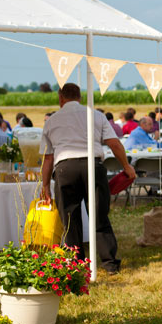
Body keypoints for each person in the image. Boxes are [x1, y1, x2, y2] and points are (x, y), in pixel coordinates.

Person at [40, 83, 135, 274]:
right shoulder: (96, 115)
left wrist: (45, 185)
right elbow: (114, 143)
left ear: (60, 98)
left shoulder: (51, 121)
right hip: (92, 166)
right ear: (80, 97)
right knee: (99, 215)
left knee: (70, 218)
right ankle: (109, 263)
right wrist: (126, 165)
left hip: (64, 168)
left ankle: (76, 263)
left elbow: (48, 157)